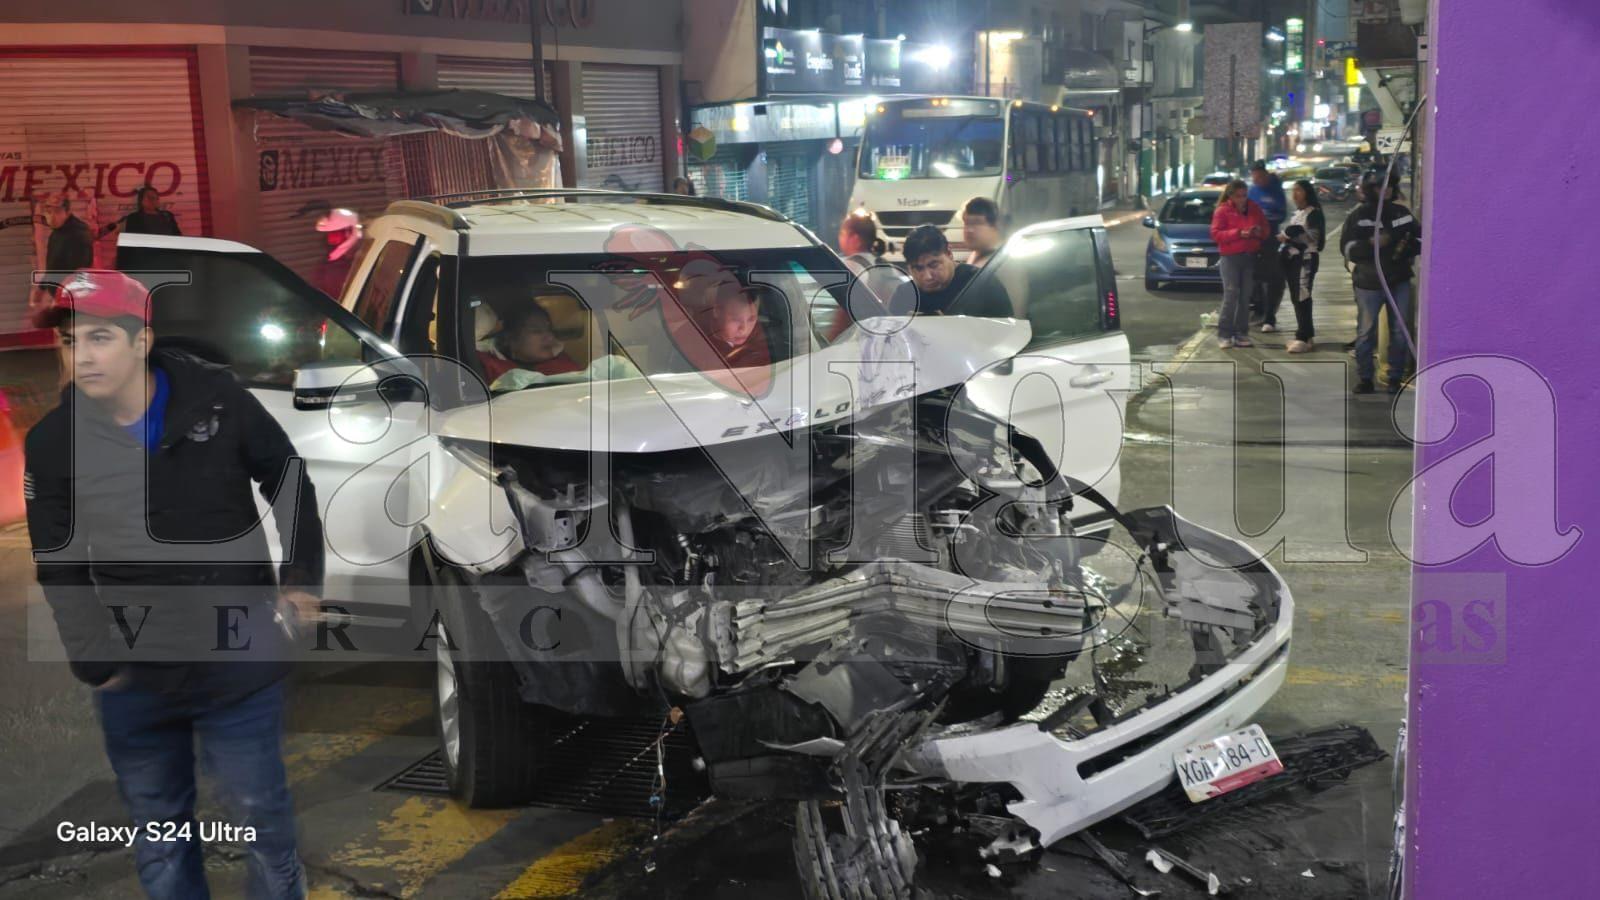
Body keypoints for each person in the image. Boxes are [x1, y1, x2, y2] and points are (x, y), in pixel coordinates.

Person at [23, 270, 323, 899]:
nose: (83, 355)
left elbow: (288, 482)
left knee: (261, 825)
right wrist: (93, 657)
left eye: (100, 337)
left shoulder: (218, 401)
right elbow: (59, 560)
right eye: (71, 342)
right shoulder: (55, 442)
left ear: (141, 341)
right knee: (160, 842)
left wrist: (300, 582)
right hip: (136, 675)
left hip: (237, 658)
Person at [1342, 172, 1421, 394]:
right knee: (1366, 332)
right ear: (1370, 189)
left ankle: (1395, 377)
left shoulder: (1401, 213)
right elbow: (1347, 249)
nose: (1385, 190)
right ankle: (1365, 378)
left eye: (1389, 186)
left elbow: (1421, 238)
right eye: (1380, 187)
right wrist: (1372, 244)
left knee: (1400, 330)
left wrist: (1407, 247)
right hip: (1369, 282)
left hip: (1399, 280)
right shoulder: (1359, 216)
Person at [888, 224, 1012, 319]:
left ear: (949, 253)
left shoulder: (981, 284)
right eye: (918, 268)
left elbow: (1007, 335)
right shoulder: (904, 296)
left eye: (934, 265)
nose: (927, 277)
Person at [1210, 180, 1268, 349]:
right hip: (1230, 257)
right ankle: (1224, 333)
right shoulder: (1222, 211)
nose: (1242, 199)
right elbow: (1216, 234)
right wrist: (1238, 233)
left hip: (1249, 256)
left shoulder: (1254, 208)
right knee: (1231, 295)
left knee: (1245, 297)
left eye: (1244, 195)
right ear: (1230, 196)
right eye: (1238, 196)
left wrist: (1258, 232)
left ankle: (1241, 333)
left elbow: (1265, 229)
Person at [478, 302, 583, 384]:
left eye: (549, 330)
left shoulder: (565, 368)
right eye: (536, 330)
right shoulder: (488, 368)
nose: (549, 337)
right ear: (510, 339)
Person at [1278, 180, 1325, 353]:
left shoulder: (1313, 213)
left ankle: (1303, 336)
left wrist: (1293, 233)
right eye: (1293, 190)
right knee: (1296, 297)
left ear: (1307, 193)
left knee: (1302, 296)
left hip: (1305, 259)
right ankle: (1305, 334)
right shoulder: (1298, 213)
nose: (1295, 194)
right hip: (1293, 259)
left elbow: (1314, 238)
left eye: (1299, 190)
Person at [1246, 160, 1288, 331]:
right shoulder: (1252, 191)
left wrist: (1266, 219)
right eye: (1254, 178)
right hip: (1254, 238)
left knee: (1269, 279)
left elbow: (1281, 213)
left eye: (1259, 177)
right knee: (1253, 277)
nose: (1256, 181)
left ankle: (1269, 316)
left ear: (1265, 175)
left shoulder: (1275, 189)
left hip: (1270, 239)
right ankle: (1258, 310)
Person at [312, 207, 363, 299]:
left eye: (334, 233)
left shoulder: (360, 261)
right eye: (328, 234)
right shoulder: (326, 269)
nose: (329, 238)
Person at [44, 195, 96, 276]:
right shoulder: (58, 230)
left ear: (67, 213)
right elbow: (52, 264)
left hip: (69, 287)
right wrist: (43, 285)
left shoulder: (78, 234)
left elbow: (79, 272)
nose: (52, 217)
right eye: (49, 212)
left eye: (57, 212)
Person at [116, 186, 182, 236]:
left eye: (155, 198)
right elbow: (132, 240)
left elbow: (177, 236)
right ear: (141, 200)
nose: (153, 200)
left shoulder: (167, 215)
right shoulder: (133, 218)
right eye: (150, 198)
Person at [960, 196, 1004, 267]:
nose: (969, 230)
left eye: (977, 222)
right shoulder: (975, 255)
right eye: (966, 223)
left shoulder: (1004, 263)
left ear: (995, 226)